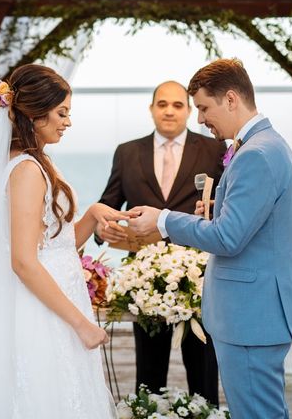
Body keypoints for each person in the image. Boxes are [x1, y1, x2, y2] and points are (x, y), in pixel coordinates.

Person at [0, 64, 128, 418]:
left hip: (57, 299)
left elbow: (58, 244)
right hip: (42, 312)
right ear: (35, 115)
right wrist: (80, 324)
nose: (67, 122)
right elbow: (23, 260)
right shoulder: (25, 170)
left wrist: (94, 214)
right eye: (62, 113)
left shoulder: (39, 162)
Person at [129, 59, 292, 419]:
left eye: (203, 108)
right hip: (256, 312)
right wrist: (218, 210)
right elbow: (250, 226)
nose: (199, 119)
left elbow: (228, 238)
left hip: (251, 317)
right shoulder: (265, 145)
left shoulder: (256, 154)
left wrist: (163, 219)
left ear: (230, 99)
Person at [96, 80, 225, 404]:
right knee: (148, 380)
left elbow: (229, 209)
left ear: (189, 110)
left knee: (205, 376)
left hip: (200, 282)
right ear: (152, 109)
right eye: (162, 104)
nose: (169, 111)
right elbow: (109, 204)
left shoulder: (214, 149)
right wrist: (101, 231)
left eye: (178, 104)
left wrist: (215, 210)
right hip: (144, 284)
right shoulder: (127, 152)